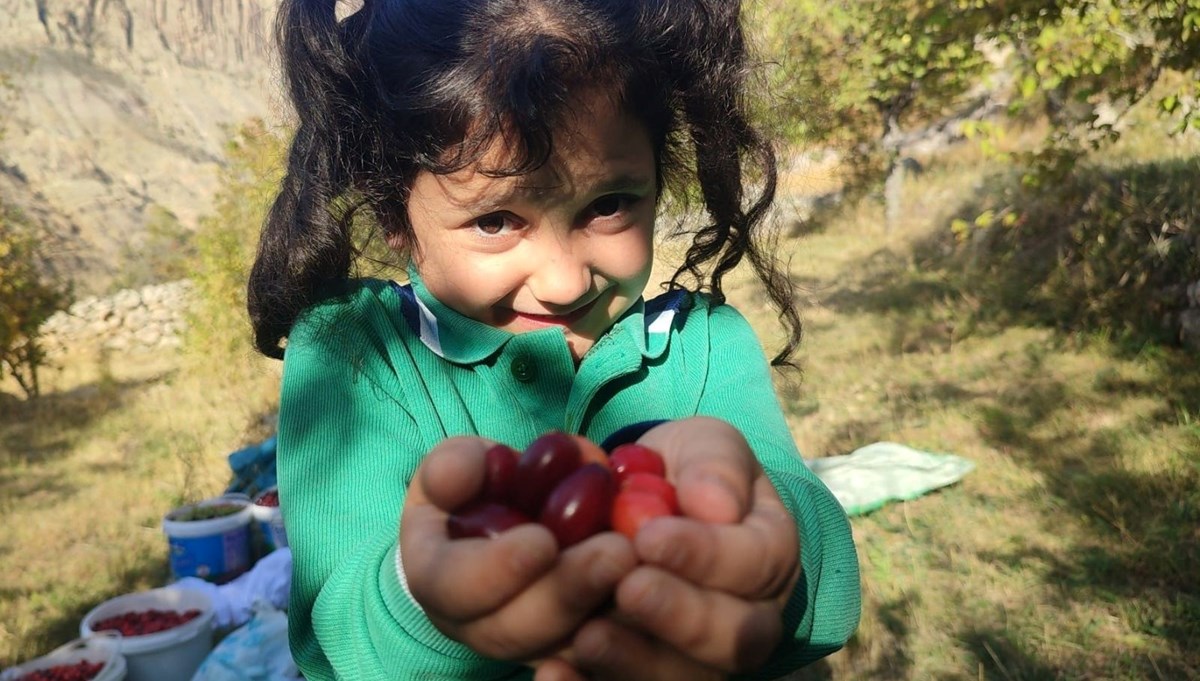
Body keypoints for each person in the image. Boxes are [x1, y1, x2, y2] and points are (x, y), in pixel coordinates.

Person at [247, 0, 861, 679]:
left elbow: (828, 590)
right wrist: (428, 599)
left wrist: (769, 545)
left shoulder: (705, 345)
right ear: (395, 212)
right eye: (495, 221)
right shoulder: (354, 356)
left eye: (609, 205)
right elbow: (337, 637)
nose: (565, 283)